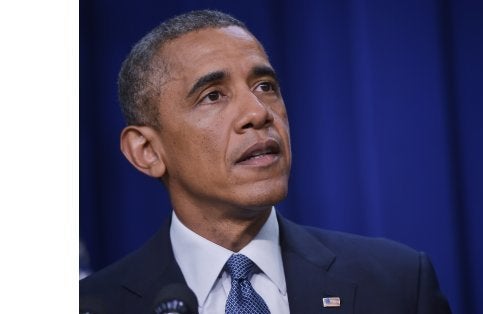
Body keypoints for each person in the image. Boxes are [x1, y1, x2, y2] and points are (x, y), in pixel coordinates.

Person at [79, 9, 452, 314]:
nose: (257, 113)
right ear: (147, 151)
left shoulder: (397, 283)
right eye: (212, 96)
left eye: (265, 87)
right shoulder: (94, 305)